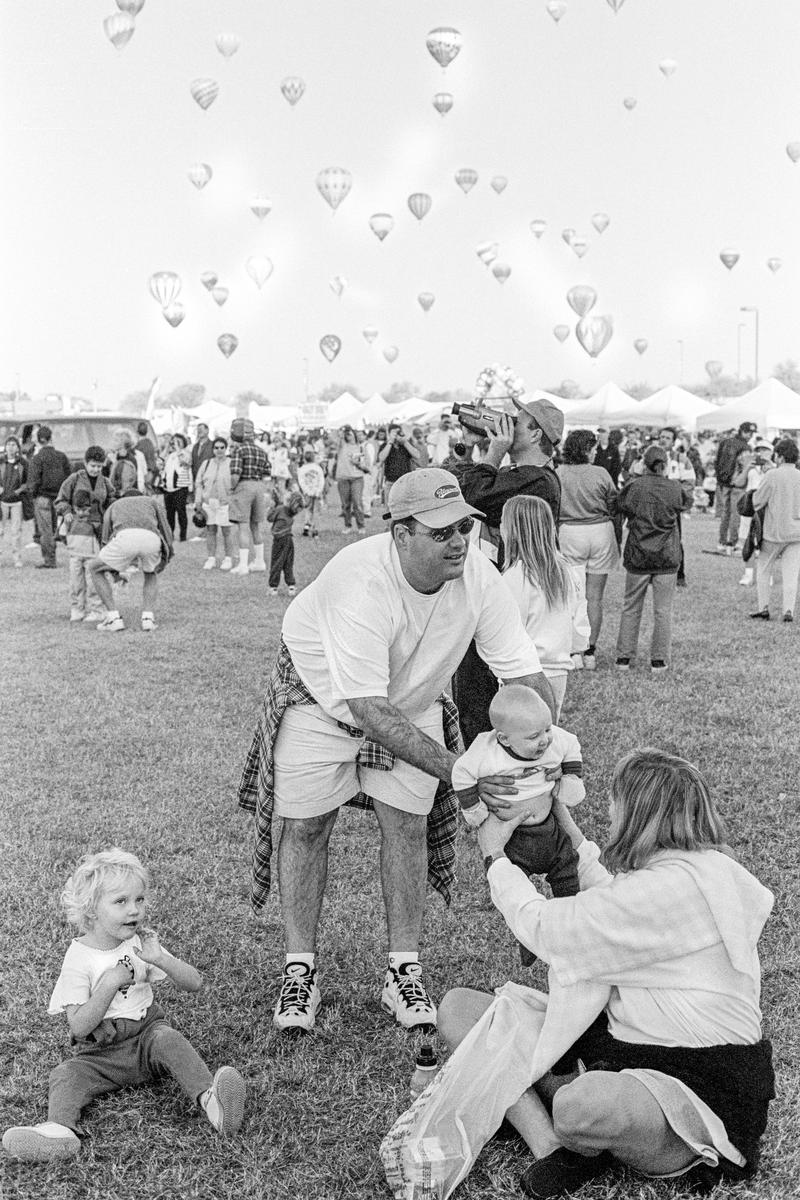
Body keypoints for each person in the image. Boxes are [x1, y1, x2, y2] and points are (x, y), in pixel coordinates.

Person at [237, 468, 554, 1034]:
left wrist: (544, 744)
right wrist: (461, 771)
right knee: (306, 828)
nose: (459, 542)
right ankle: (300, 969)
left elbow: (524, 670)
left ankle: (402, 971)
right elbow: (367, 710)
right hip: (324, 702)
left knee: (406, 827)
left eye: (464, 526)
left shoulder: (479, 576)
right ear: (400, 535)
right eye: (441, 533)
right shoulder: (360, 581)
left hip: (409, 704)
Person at [438, 747, 775, 1199]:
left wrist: (495, 858)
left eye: (617, 801)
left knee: (582, 1106)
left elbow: (552, 931)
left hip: (698, 1082)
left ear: (640, 813)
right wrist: (571, 836)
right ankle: (552, 1146)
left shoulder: (674, 889)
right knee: (460, 1009)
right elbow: (614, 901)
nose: (611, 811)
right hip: (618, 1048)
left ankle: (560, 1124)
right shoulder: (682, 875)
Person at [1, 849, 245, 1163]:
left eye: (139, 899)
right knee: (66, 1074)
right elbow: (79, 1026)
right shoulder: (79, 958)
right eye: (121, 902)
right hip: (100, 1056)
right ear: (91, 910)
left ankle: (213, 1103)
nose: (135, 910)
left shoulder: (141, 944)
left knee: (169, 1038)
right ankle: (60, 1131)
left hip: (147, 1039)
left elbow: (194, 983)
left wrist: (160, 959)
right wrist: (109, 983)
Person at [453, 397, 564, 745]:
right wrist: (468, 449)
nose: (507, 423)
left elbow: (469, 497)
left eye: (517, 420)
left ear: (534, 435)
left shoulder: (538, 481)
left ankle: (484, 763)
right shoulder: (522, 476)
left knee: (482, 701)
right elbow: (454, 491)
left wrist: (492, 453)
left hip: (505, 603)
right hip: (495, 592)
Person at [453, 686, 584, 966]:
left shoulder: (554, 740)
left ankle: (571, 925)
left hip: (550, 829)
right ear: (504, 738)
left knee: (568, 872)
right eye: (534, 736)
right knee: (515, 885)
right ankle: (528, 939)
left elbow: (570, 744)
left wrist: (571, 778)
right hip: (513, 837)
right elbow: (461, 773)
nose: (545, 740)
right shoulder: (485, 751)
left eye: (547, 729)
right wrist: (473, 808)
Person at [501, 497, 589, 720]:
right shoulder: (568, 572)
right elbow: (579, 627)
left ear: (513, 530)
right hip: (558, 671)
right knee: (547, 736)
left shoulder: (514, 578)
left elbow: (508, 634)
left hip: (522, 674)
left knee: (519, 742)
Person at [615, 445, 693, 674]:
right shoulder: (673, 488)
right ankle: (658, 659)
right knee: (663, 610)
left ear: (643, 464)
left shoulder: (635, 487)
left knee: (630, 607)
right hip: (666, 556)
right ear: (665, 465)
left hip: (638, 553)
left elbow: (621, 505)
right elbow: (687, 501)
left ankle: (624, 657)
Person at [555, 430, 618, 671]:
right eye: (592, 449)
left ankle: (573, 650)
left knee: (572, 595)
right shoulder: (600, 473)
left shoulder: (559, 474)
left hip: (570, 532)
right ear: (584, 449)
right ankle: (590, 649)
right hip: (600, 531)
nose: (595, 453)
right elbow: (613, 501)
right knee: (595, 597)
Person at [88, 475, 173, 633]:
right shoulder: (152, 501)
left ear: (123, 497)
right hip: (151, 539)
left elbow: (105, 537)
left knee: (94, 568)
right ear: (141, 495)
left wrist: (113, 570)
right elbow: (166, 529)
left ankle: (113, 618)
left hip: (124, 537)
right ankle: (148, 619)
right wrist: (168, 553)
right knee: (150, 573)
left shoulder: (115, 505)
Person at [750, 437, 800, 623]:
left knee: (764, 569)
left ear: (779, 456)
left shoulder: (772, 475)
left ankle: (763, 608)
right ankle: (788, 611)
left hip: (774, 531)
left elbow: (757, 501)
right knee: (791, 573)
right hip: (796, 532)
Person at [227, 418, 270, 576]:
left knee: (243, 526)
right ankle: (259, 561)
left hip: (244, 486)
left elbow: (235, 474)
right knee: (256, 526)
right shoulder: (262, 451)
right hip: (259, 486)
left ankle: (243, 565)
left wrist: (231, 488)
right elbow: (267, 475)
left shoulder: (239, 450)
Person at [26, 424, 70, 569]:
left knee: (46, 531)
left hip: (42, 497)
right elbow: (68, 477)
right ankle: (55, 557)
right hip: (58, 497)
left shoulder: (37, 458)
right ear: (51, 438)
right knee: (55, 529)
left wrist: (32, 495)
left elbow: (32, 481)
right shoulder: (61, 457)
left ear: (39, 440)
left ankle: (49, 560)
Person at [63, 490, 105, 624]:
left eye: (85, 510)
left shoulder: (95, 521)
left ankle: (97, 610)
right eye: (78, 510)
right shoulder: (69, 519)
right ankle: (77, 609)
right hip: (75, 556)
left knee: (93, 584)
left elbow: (102, 538)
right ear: (73, 508)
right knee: (76, 583)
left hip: (91, 557)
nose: (81, 513)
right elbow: (63, 535)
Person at [55, 446, 115, 540]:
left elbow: (112, 501)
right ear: (85, 463)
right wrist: (66, 512)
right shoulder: (74, 479)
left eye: (99, 466)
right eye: (93, 466)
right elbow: (61, 500)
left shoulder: (105, 482)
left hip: (99, 527)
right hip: (78, 526)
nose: (96, 470)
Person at [195, 437, 236, 570]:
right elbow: (199, 483)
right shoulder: (206, 463)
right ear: (213, 449)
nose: (219, 450)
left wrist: (232, 500)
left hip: (225, 502)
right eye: (216, 448)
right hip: (208, 502)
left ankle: (228, 558)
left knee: (226, 532)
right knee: (211, 531)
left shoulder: (231, 463)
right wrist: (198, 500)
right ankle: (211, 558)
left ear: (226, 448)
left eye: (222, 447)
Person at [715, 422, 757, 551]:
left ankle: (721, 541)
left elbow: (717, 460)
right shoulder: (745, 447)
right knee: (736, 513)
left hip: (723, 482)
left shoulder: (724, 442)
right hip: (738, 484)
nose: (750, 436)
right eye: (749, 433)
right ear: (743, 432)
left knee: (725, 513)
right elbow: (745, 467)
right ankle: (732, 542)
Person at [267, 483, 305, 596]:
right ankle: (291, 586)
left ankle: (273, 587)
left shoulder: (280, 509)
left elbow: (269, 518)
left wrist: (272, 506)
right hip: (289, 540)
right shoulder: (291, 512)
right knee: (288, 563)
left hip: (279, 540)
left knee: (276, 563)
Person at [333, 426, 368, 534]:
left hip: (357, 478)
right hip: (343, 478)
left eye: (350, 433)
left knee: (357, 503)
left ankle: (361, 526)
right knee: (345, 504)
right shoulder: (342, 445)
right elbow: (334, 437)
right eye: (346, 433)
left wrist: (358, 464)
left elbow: (367, 466)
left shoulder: (361, 447)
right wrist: (342, 431)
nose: (348, 435)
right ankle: (347, 525)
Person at [0, 435, 28, 567]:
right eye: (8, 444)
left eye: (13, 445)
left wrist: (17, 492)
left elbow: (26, 482)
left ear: (17, 447)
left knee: (16, 531)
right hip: (2, 501)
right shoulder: (1, 462)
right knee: (0, 530)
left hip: (17, 501)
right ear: (5, 447)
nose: (11, 447)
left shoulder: (23, 463)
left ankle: (17, 558)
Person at [378, 424, 421, 503]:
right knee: (390, 509)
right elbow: (381, 458)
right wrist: (390, 442)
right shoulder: (385, 445)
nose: (396, 435)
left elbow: (417, 455)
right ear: (389, 434)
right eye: (394, 433)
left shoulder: (405, 445)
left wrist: (405, 442)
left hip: (405, 481)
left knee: (405, 507)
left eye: (398, 432)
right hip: (390, 482)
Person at [161, 434, 193, 542]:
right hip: (168, 489)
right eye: (174, 442)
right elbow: (160, 461)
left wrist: (178, 448)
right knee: (169, 513)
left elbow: (185, 461)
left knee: (181, 512)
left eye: (178, 442)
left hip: (180, 488)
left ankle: (183, 535)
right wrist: (166, 447)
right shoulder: (170, 456)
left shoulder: (185, 453)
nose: (175, 444)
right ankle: (170, 534)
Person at [297, 448, 326, 537]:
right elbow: (321, 480)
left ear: (304, 459)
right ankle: (315, 529)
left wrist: (306, 490)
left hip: (307, 493)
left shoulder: (302, 468)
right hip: (317, 492)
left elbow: (301, 481)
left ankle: (307, 525)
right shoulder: (318, 468)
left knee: (308, 509)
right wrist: (318, 490)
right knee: (317, 511)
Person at [134, 421, 157, 491]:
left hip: (144, 473)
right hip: (151, 472)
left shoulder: (139, 445)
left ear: (137, 432)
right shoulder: (150, 443)